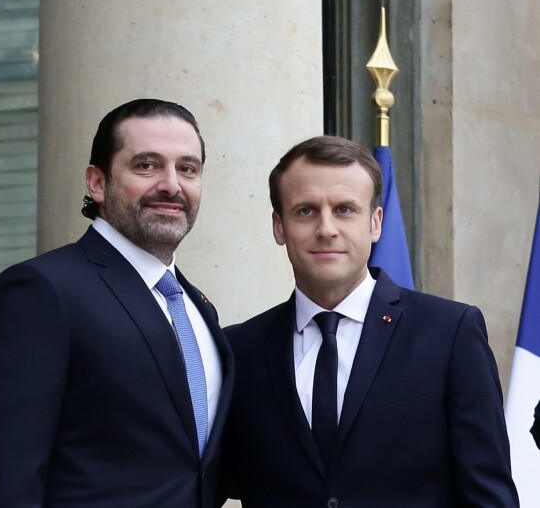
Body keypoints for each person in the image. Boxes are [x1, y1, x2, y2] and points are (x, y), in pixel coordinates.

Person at [0, 98, 234, 507]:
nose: (172, 185)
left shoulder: (198, 308)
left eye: (188, 169)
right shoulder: (39, 292)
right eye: (147, 165)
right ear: (97, 182)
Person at [220, 135, 518, 507]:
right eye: (306, 211)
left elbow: (489, 496)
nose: (326, 228)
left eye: (345, 210)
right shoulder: (239, 349)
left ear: (375, 223)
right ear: (280, 226)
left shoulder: (450, 332)